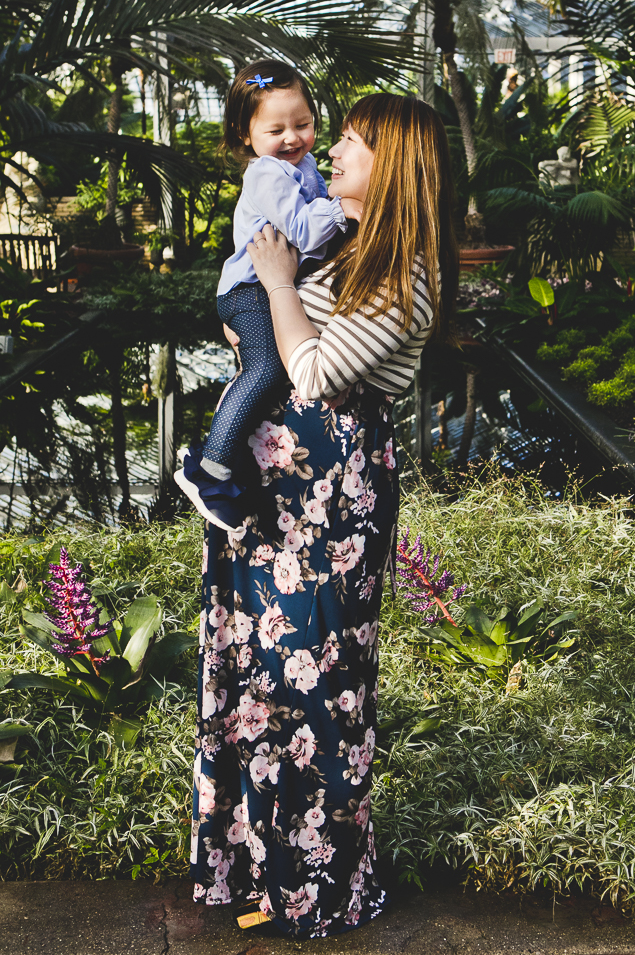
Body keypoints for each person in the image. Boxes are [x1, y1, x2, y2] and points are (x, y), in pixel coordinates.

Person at [189, 92, 459, 938]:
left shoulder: (403, 270)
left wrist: (275, 286)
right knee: (250, 675)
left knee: (317, 686)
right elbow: (263, 338)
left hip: (330, 503)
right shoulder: (335, 246)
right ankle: (252, 874)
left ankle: (319, 888)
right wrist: (269, 295)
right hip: (273, 493)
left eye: (349, 140)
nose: (329, 148)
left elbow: (310, 370)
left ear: (395, 165)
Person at [175, 59, 348, 530]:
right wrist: (348, 206)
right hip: (249, 289)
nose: (293, 138)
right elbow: (307, 234)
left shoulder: (306, 165)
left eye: (304, 124)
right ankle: (209, 467)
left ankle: (244, 466)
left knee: (274, 374)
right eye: (277, 129)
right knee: (269, 367)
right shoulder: (267, 174)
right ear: (244, 134)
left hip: (268, 287)